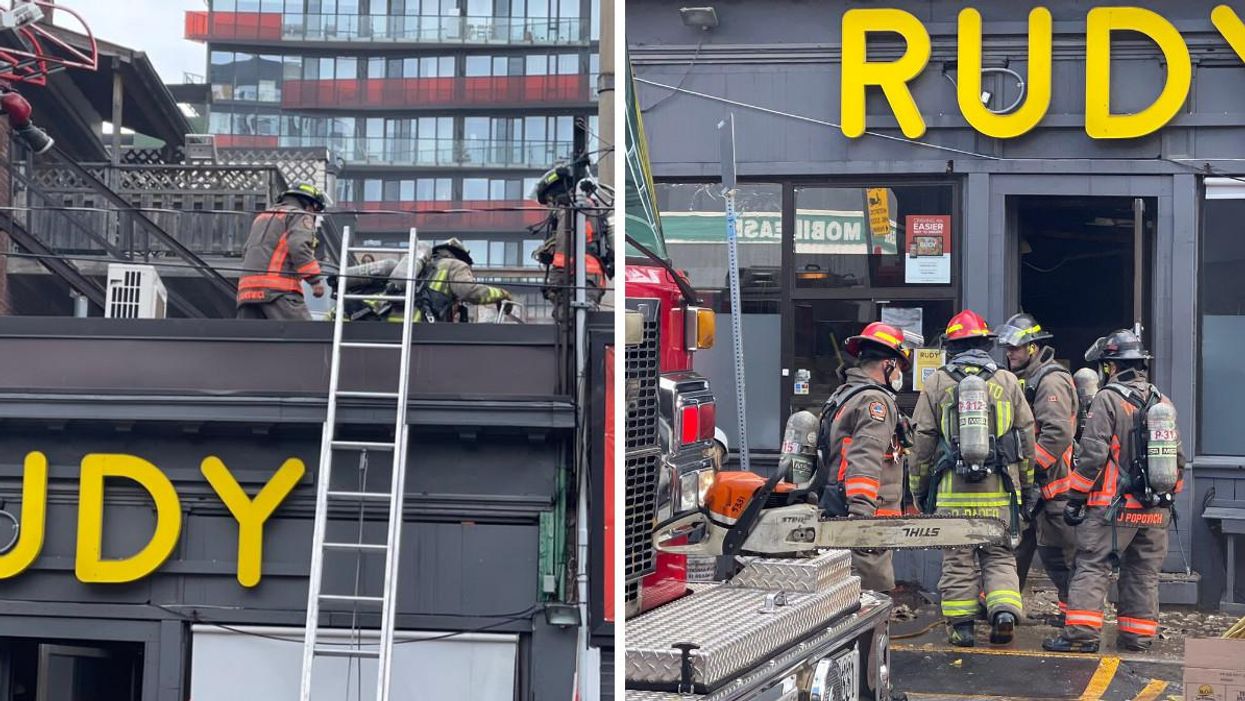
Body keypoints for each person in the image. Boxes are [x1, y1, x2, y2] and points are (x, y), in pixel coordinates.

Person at [1043, 329, 1185, 653]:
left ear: (1110, 366)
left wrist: (1076, 498)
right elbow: (1178, 458)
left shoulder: (1108, 399)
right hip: (1156, 507)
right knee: (1143, 571)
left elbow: (1092, 455)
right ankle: (1138, 636)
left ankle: (1080, 636)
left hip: (1114, 507)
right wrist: (1166, 498)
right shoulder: (1162, 402)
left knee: (1092, 565)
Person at [910, 310, 1036, 647]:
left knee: (957, 557)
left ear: (951, 347)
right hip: (1000, 492)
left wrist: (918, 489)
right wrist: (1027, 486)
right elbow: (1026, 439)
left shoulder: (936, 382)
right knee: (999, 555)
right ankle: (1005, 612)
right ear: (985, 344)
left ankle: (962, 627)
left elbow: (922, 441)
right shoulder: (1008, 382)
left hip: (952, 494)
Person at [816, 321, 913, 593]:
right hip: (865, 517)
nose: (899, 376)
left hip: (838, 510)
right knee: (870, 593)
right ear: (888, 365)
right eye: (899, 368)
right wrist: (862, 522)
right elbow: (865, 460)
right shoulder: (875, 402)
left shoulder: (844, 395)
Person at [997, 312, 1079, 626]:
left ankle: (1075, 618)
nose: (1009, 353)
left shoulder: (1051, 379)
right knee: (1011, 551)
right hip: (1030, 488)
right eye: (1007, 348)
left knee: (1061, 558)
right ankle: (1003, 611)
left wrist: (1032, 473)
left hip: (1052, 489)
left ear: (1033, 347)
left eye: (1015, 348)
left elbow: (1057, 434)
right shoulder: (1026, 379)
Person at [237, 182, 329, 320]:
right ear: (310, 206)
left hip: (247, 293)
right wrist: (315, 281)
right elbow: (299, 246)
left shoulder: (262, 217)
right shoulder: (300, 215)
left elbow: (246, 250)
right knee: (306, 337)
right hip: (278, 293)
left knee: (251, 340)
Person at [409, 238, 511, 323]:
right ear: (461, 256)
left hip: (401, 325)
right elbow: (469, 291)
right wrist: (501, 294)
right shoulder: (455, 265)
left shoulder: (422, 266)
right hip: (423, 325)